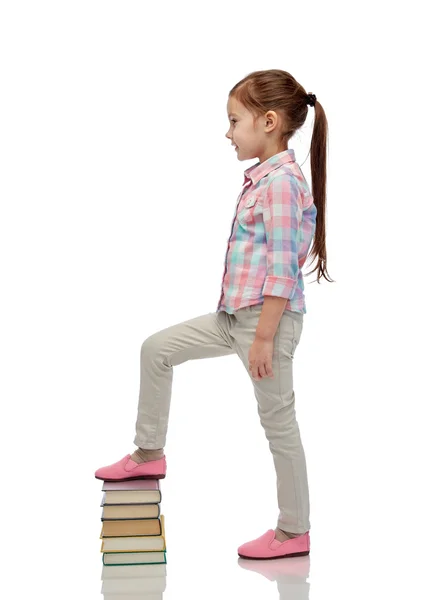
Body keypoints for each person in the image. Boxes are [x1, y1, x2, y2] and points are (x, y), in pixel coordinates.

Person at [95, 68, 333, 560]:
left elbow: (283, 270)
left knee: (279, 424)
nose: (227, 133)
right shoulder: (262, 179)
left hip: (266, 324)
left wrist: (264, 337)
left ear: (268, 122)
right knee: (157, 349)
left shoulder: (283, 184)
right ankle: (149, 454)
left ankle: (294, 531)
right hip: (233, 319)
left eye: (234, 121)